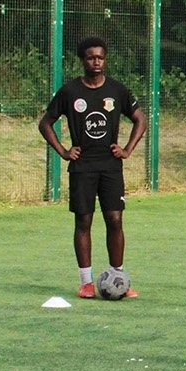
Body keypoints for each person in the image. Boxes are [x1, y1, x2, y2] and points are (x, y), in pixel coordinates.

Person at [38, 36, 146, 298]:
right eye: (91, 57)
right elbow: (45, 123)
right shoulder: (70, 92)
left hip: (110, 167)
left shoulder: (117, 90)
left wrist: (127, 149)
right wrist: (64, 151)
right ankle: (86, 282)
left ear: (105, 59)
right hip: (82, 167)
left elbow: (140, 119)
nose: (96, 62)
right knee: (84, 221)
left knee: (115, 219)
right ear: (82, 60)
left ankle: (118, 277)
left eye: (100, 57)